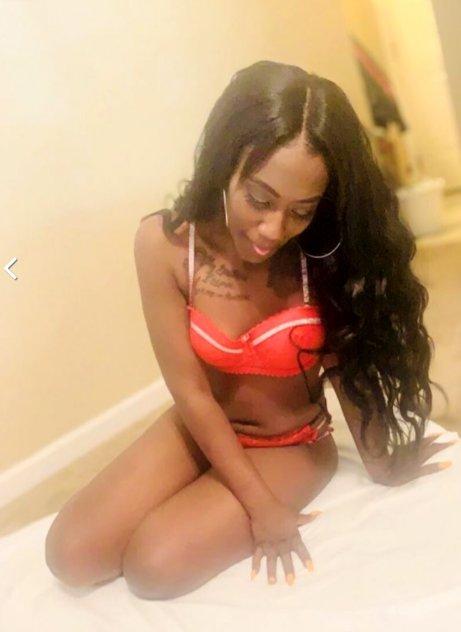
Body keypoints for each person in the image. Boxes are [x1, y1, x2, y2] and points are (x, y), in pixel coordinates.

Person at [45, 60, 454, 599]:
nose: (273, 230)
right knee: (70, 555)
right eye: (259, 200)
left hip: (292, 443)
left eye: (300, 211)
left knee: (153, 568)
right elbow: (191, 392)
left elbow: (345, 369)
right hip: (202, 423)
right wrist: (258, 507)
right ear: (225, 164)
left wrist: (382, 461)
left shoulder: (319, 258)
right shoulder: (165, 245)